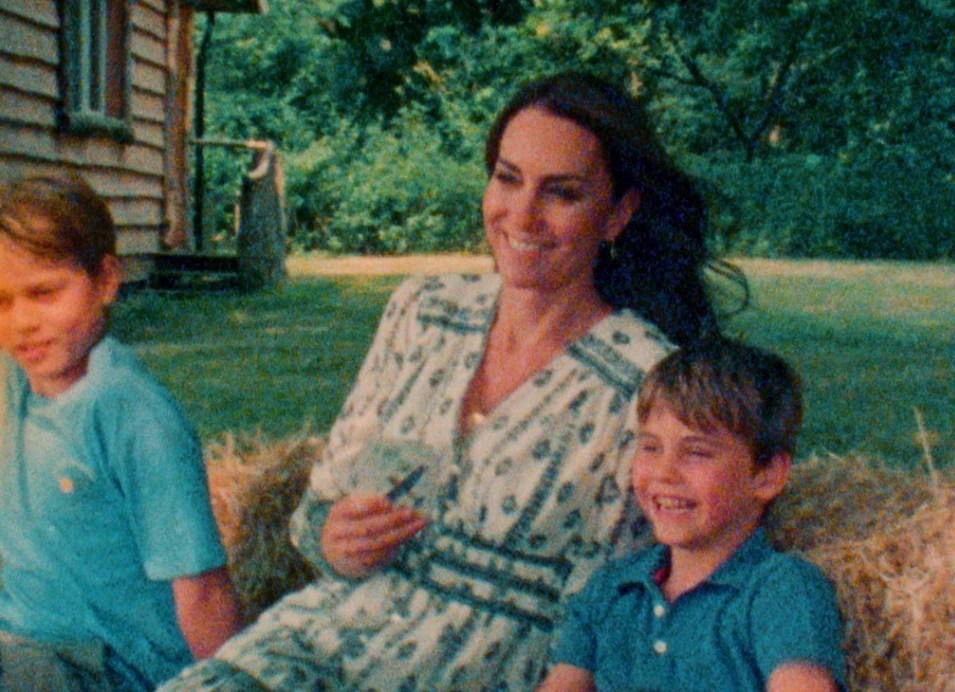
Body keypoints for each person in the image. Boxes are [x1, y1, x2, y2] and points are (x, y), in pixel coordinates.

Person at [161, 71, 747, 690]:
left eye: (562, 193)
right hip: (317, 644)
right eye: (507, 178)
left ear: (617, 213)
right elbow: (315, 513)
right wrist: (333, 539)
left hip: (481, 672)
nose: (522, 215)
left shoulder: (647, 383)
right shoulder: (423, 310)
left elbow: (624, 607)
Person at [0, 175, 243, 689]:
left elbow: (202, 591)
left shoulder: (134, 418)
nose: (21, 322)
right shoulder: (13, 381)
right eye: (1, 301)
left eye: (44, 293)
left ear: (107, 280)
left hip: (108, 670)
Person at [538, 339, 847, 691]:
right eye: (651, 447)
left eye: (696, 452)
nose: (664, 473)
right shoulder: (612, 589)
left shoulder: (777, 589)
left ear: (766, 475)